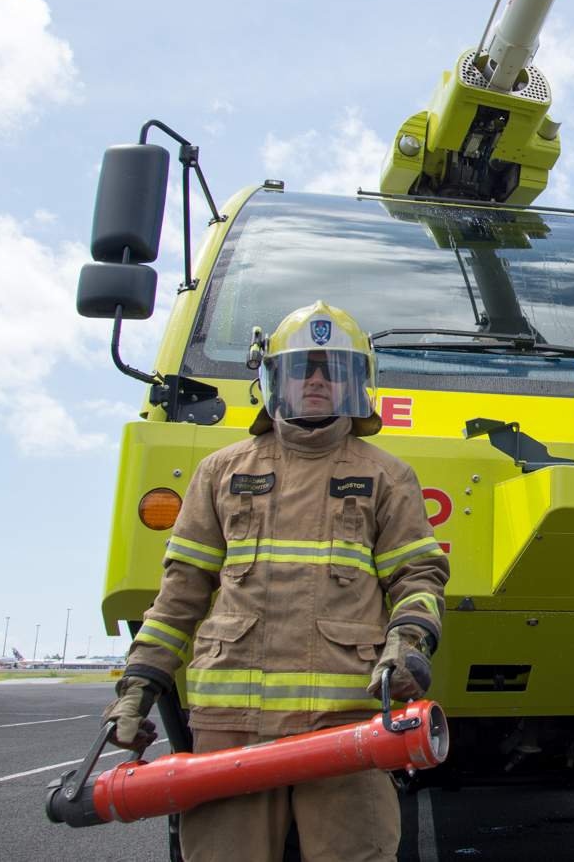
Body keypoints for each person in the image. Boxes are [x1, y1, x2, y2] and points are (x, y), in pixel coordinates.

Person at [101, 300, 448, 861]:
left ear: (357, 384)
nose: (315, 380)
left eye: (331, 369)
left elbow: (419, 578)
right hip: (230, 727)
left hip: (347, 725)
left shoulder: (386, 476)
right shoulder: (221, 472)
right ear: (271, 379)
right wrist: (138, 688)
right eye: (302, 367)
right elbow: (179, 594)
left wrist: (407, 646)